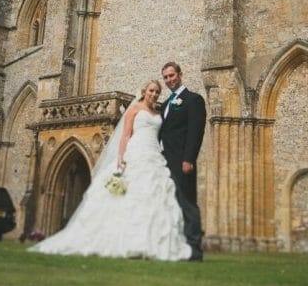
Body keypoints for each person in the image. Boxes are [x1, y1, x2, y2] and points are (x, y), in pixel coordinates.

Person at [29, 80, 191, 261]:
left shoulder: (157, 112)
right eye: (151, 91)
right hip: (136, 151)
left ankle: (148, 241)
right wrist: (121, 158)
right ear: (145, 91)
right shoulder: (135, 109)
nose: (154, 94)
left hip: (154, 154)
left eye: (157, 92)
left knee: (153, 194)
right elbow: (125, 135)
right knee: (129, 196)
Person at [160, 61, 207, 261]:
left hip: (181, 161)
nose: (169, 80)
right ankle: (175, 246)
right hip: (163, 161)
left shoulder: (193, 100)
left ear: (180, 74)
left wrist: (189, 159)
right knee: (170, 203)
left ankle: (194, 249)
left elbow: (195, 132)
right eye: (166, 77)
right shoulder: (165, 104)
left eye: (172, 75)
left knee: (187, 203)